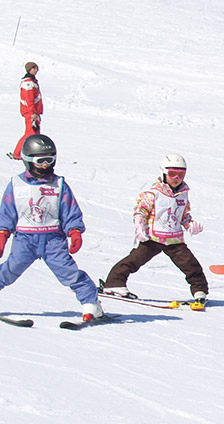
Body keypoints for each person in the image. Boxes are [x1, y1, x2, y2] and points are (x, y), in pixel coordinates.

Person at [0, 134, 103, 322]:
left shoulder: (59, 185)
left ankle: (92, 305)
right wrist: (2, 234)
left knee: (69, 273)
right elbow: (6, 213)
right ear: (28, 160)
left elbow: (70, 211)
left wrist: (75, 232)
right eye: (41, 161)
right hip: (25, 239)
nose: (46, 165)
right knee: (9, 271)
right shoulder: (16, 185)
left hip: (53, 240)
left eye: (50, 160)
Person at [99, 154, 208, 307]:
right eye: (172, 174)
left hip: (174, 239)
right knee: (134, 260)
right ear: (163, 172)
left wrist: (190, 224)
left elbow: (183, 214)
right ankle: (114, 283)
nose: (176, 178)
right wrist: (139, 226)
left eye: (181, 174)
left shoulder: (183, 194)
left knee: (190, 265)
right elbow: (140, 211)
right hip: (153, 238)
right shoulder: (153, 194)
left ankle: (200, 291)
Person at [9, 62, 41, 161]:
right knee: (30, 133)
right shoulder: (28, 83)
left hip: (35, 111)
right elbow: (28, 99)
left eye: (36, 68)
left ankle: (33, 152)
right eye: (34, 68)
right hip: (31, 112)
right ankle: (17, 153)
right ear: (29, 69)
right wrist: (32, 112)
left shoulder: (32, 81)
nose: (36, 70)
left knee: (35, 133)